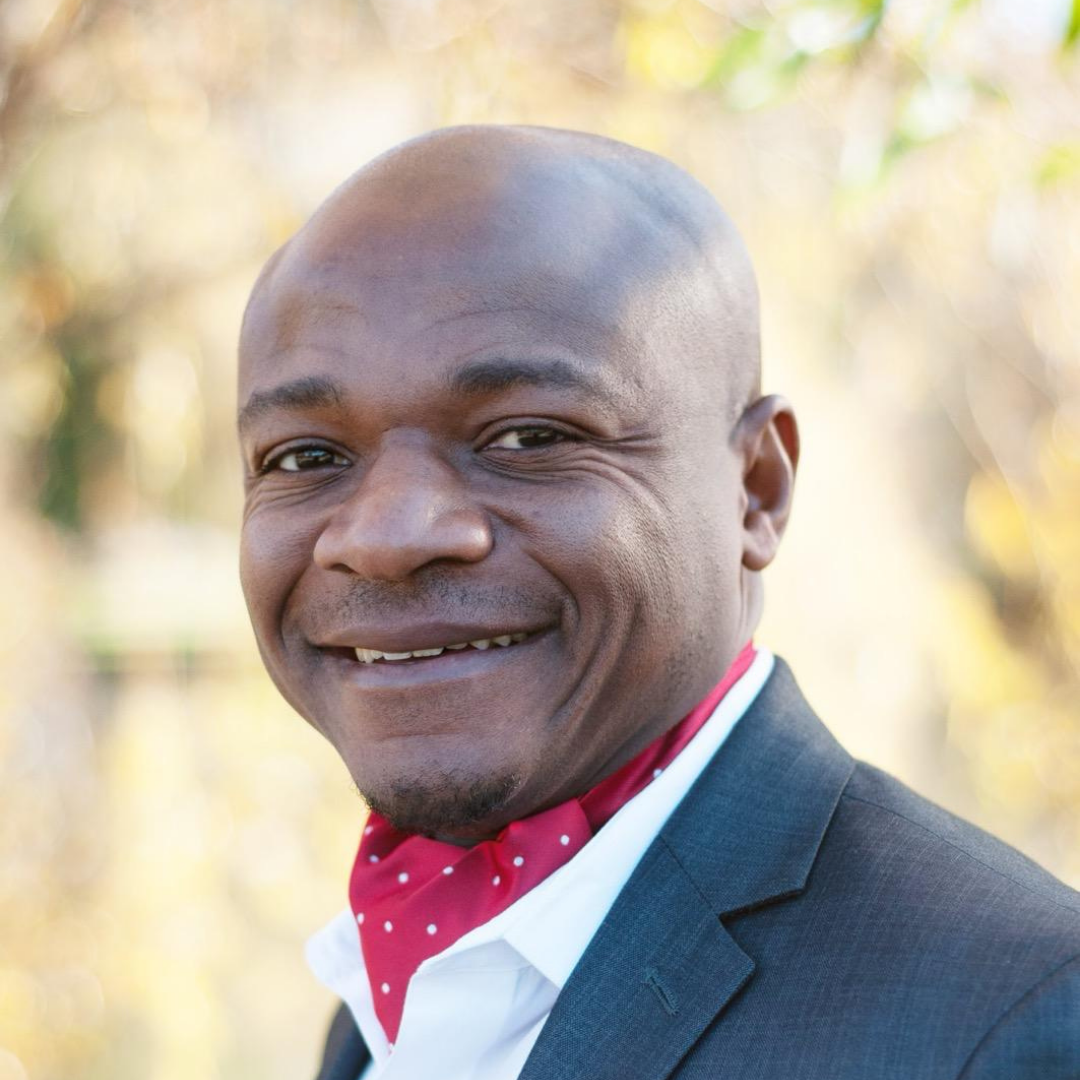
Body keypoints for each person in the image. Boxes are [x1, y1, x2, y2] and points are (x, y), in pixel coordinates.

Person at [236, 126, 1080, 1080]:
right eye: (306, 456)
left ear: (755, 489)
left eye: (527, 437)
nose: (383, 537)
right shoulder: (389, 1001)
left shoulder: (1013, 1023)